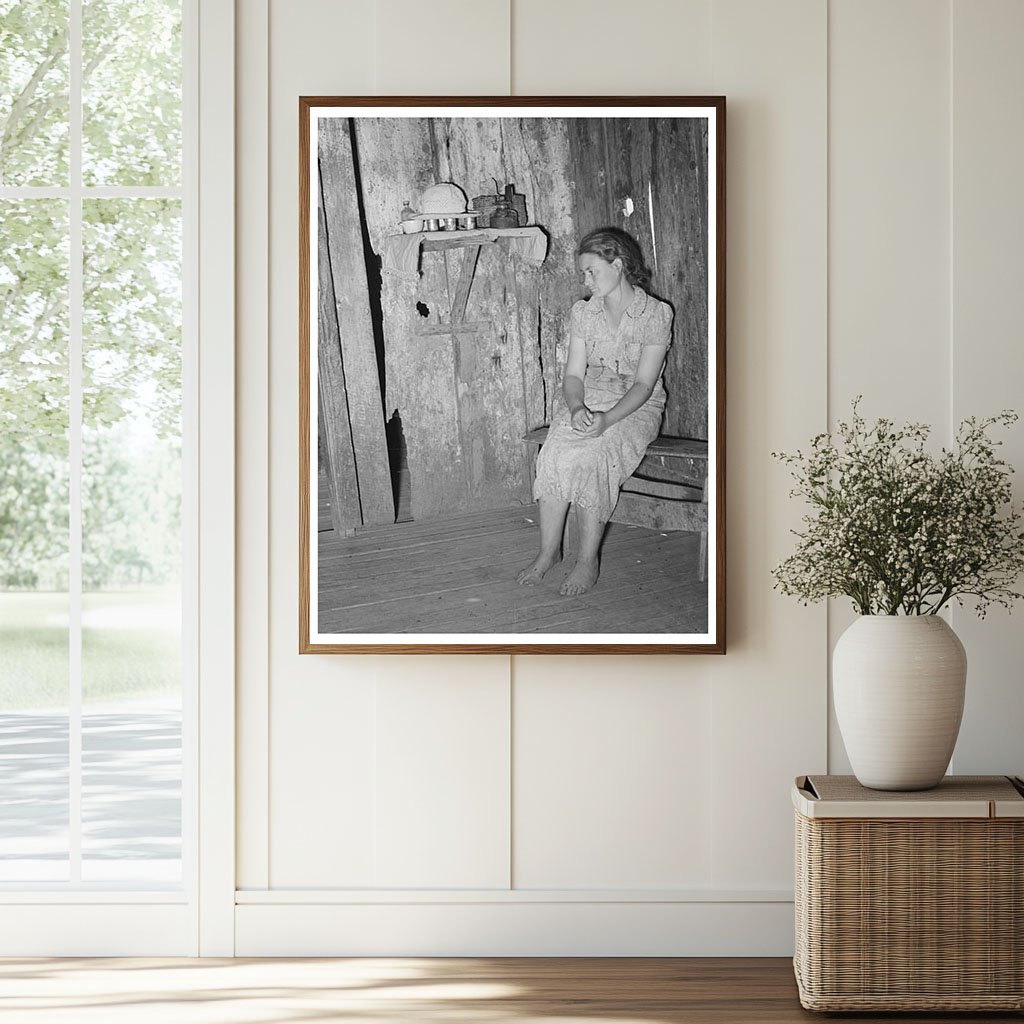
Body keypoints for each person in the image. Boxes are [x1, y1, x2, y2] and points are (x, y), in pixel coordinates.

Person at [517, 226, 673, 596]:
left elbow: (643, 385)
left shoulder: (655, 314)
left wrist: (606, 420)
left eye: (592, 271)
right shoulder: (583, 313)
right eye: (583, 273)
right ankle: (548, 552)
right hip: (590, 396)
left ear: (617, 265)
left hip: (636, 406)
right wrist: (576, 408)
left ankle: (588, 560)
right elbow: (573, 375)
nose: (587, 280)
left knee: (594, 456)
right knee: (554, 454)